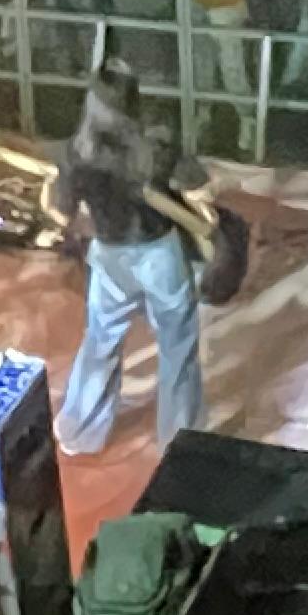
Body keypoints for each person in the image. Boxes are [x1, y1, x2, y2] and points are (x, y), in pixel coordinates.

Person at [50, 60, 210, 455]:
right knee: (177, 344)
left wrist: (46, 188)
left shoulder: (77, 150)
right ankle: (178, 441)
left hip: (109, 254)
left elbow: (60, 216)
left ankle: (79, 431)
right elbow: (200, 189)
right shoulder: (156, 142)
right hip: (159, 253)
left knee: (101, 338)